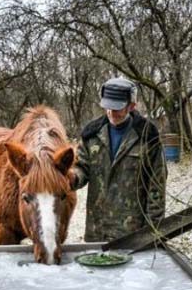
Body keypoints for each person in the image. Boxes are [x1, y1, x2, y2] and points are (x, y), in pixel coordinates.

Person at [72, 77, 167, 242]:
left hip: (130, 230)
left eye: (117, 108)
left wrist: (153, 232)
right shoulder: (91, 134)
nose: (111, 113)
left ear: (132, 106)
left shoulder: (147, 136)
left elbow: (156, 187)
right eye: (107, 107)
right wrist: (70, 178)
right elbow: (82, 167)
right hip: (97, 229)